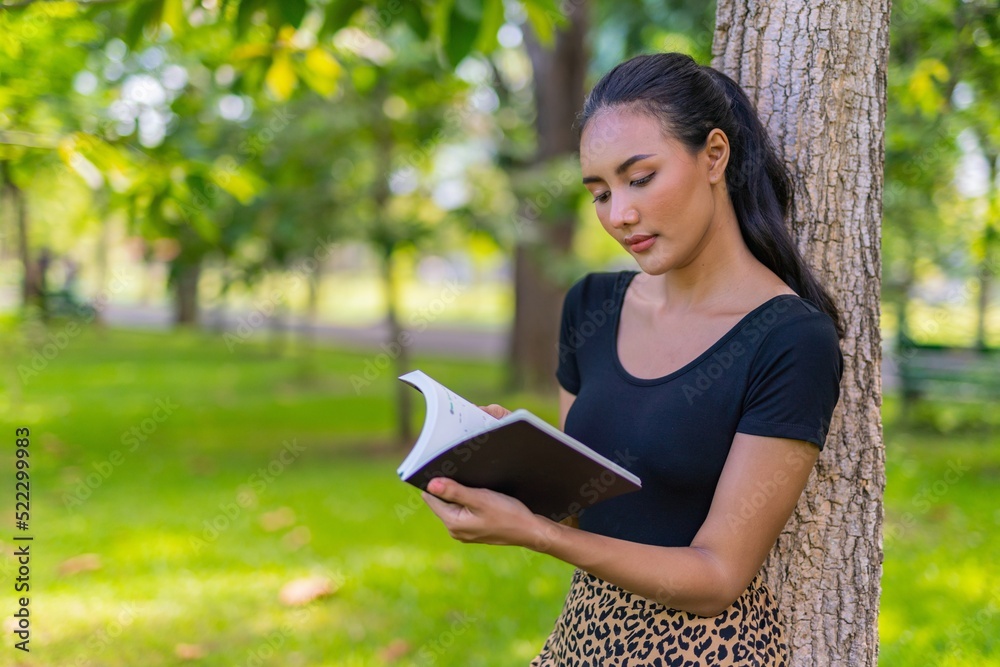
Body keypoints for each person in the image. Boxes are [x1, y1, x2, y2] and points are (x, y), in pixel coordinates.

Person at [421, 52, 844, 666]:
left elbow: (718, 576)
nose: (619, 215)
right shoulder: (591, 306)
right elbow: (586, 498)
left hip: (706, 651)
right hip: (582, 635)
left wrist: (541, 535)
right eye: (599, 192)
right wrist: (505, 458)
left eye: (639, 177)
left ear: (714, 157)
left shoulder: (790, 341)